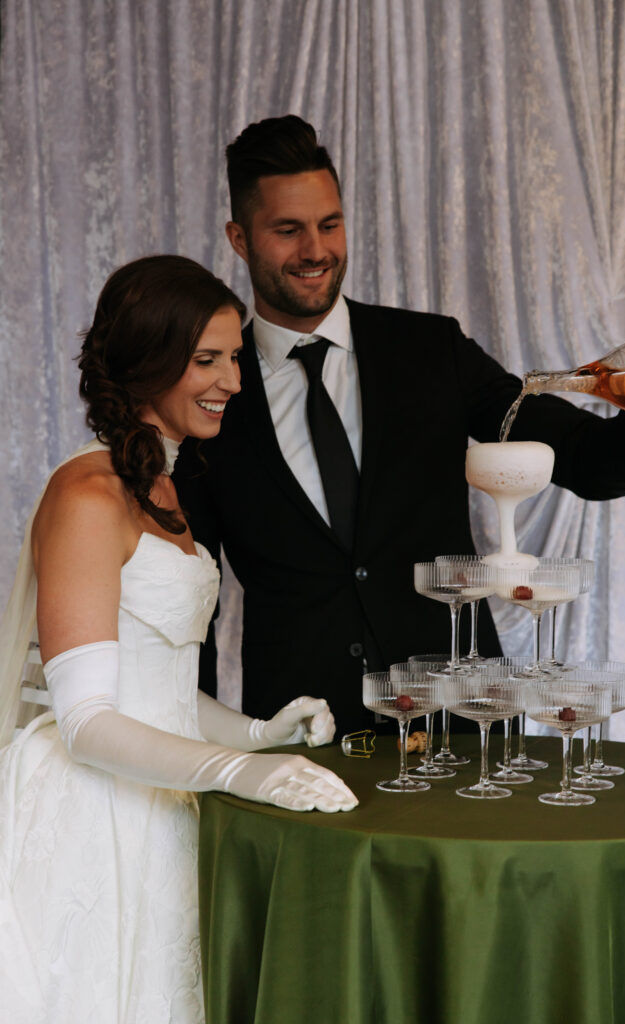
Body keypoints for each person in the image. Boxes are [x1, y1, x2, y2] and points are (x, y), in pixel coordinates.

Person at [173, 115, 625, 738]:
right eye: (287, 230)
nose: (315, 250)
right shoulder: (210, 392)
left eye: (330, 224)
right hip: (298, 735)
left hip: (462, 726)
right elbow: (193, 596)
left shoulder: (429, 348)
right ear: (239, 237)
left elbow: (591, 463)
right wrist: (196, 759)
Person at [0, 254, 357, 1024]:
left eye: (233, 357)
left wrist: (258, 733)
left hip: (161, 808)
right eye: (207, 360)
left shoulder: (163, 487)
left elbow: (155, 690)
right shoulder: (88, 495)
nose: (232, 379)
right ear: (147, 362)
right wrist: (236, 770)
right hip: (93, 822)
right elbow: (88, 719)